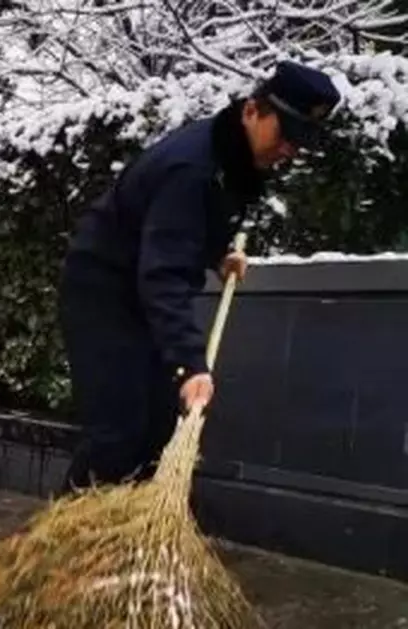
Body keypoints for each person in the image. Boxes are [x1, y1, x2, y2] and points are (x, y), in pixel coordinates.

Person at [59, 61, 341, 493]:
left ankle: (124, 542)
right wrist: (190, 363)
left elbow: (185, 230)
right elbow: (164, 271)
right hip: (104, 293)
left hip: (140, 290)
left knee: (157, 426)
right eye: (284, 134)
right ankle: (60, 543)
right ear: (253, 110)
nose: (289, 150)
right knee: (117, 431)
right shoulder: (191, 168)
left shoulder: (233, 157)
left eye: (298, 143)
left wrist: (218, 254)